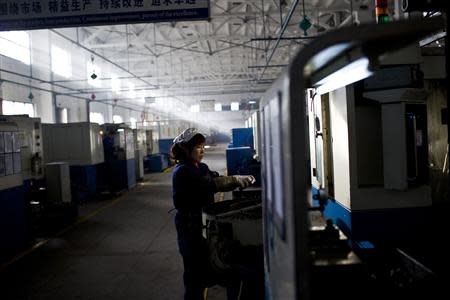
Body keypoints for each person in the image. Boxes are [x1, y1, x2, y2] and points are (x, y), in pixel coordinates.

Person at [171, 128, 255, 300]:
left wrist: (234, 179)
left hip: (204, 225)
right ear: (186, 149)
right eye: (197, 147)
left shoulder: (200, 167)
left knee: (213, 267)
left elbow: (212, 176)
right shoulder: (182, 171)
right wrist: (234, 180)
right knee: (194, 277)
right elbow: (209, 183)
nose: (202, 150)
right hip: (189, 228)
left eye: (203, 146)